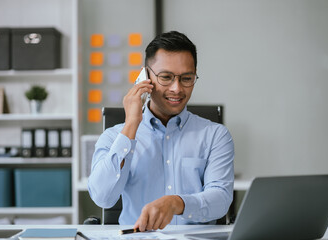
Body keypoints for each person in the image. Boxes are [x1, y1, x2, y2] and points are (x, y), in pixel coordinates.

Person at [88, 31, 234, 231]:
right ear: (145, 77)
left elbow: (221, 199)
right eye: (166, 77)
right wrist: (131, 124)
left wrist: (176, 203)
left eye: (186, 78)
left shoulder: (216, 135)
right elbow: (102, 198)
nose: (177, 88)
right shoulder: (114, 137)